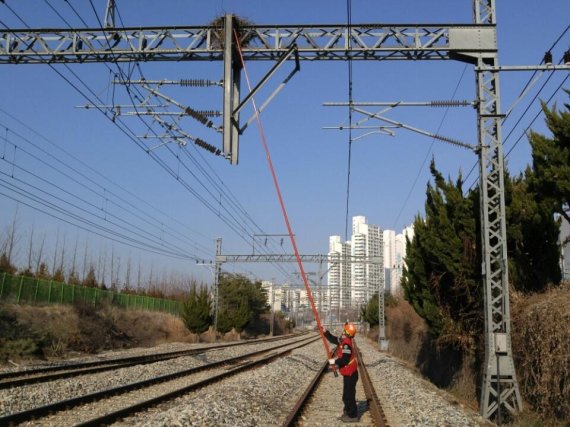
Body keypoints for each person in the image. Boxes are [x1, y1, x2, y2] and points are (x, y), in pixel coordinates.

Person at [323, 322, 359, 423]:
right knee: (346, 395)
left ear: (346, 332)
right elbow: (334, 340)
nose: (342, 331)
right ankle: (348, 412)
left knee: (349, 396)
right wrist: (326, 333)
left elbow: (345, 360)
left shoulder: (346, 344)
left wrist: (334, 361)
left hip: (350, 374)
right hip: (348, 373)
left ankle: (353, 415)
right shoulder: (344, 340)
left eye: (344, 330)